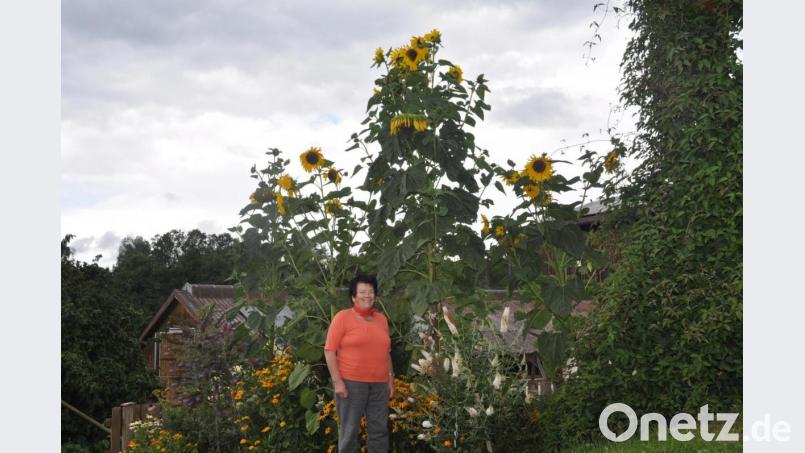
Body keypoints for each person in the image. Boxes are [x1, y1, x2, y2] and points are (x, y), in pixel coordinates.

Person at [324, 274, 395, 452]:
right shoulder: (343, 317)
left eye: (371, 291)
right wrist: (337, 382)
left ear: (375, 295)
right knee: (349, 432)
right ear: (353, 296)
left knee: (379, 432)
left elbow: (386, 352)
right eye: (362, 292)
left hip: (379, 385)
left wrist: (390, 379)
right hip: (351, 384)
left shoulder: (382, 320)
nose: (367, 295)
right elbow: (329, 351)